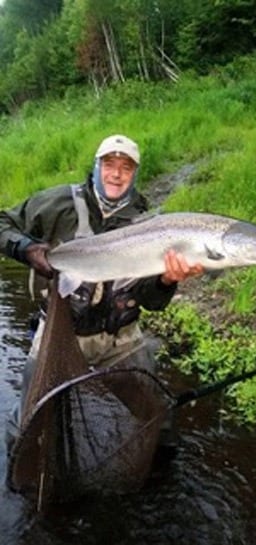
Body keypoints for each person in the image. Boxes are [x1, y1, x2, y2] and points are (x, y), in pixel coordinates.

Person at [0, 134, 204, 456]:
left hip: (120, 338)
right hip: (59, 332)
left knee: (158, 419)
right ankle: (20, 471)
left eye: (126, 167)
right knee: (29, 424)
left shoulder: (147, 223)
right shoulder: (58, 203)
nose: (116, 174)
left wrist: (167, 280)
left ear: (134, 174)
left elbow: (151, 301)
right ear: (96, 167)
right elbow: (3, 222)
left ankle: (161, 473)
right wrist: (26, 249)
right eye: (109, 164)